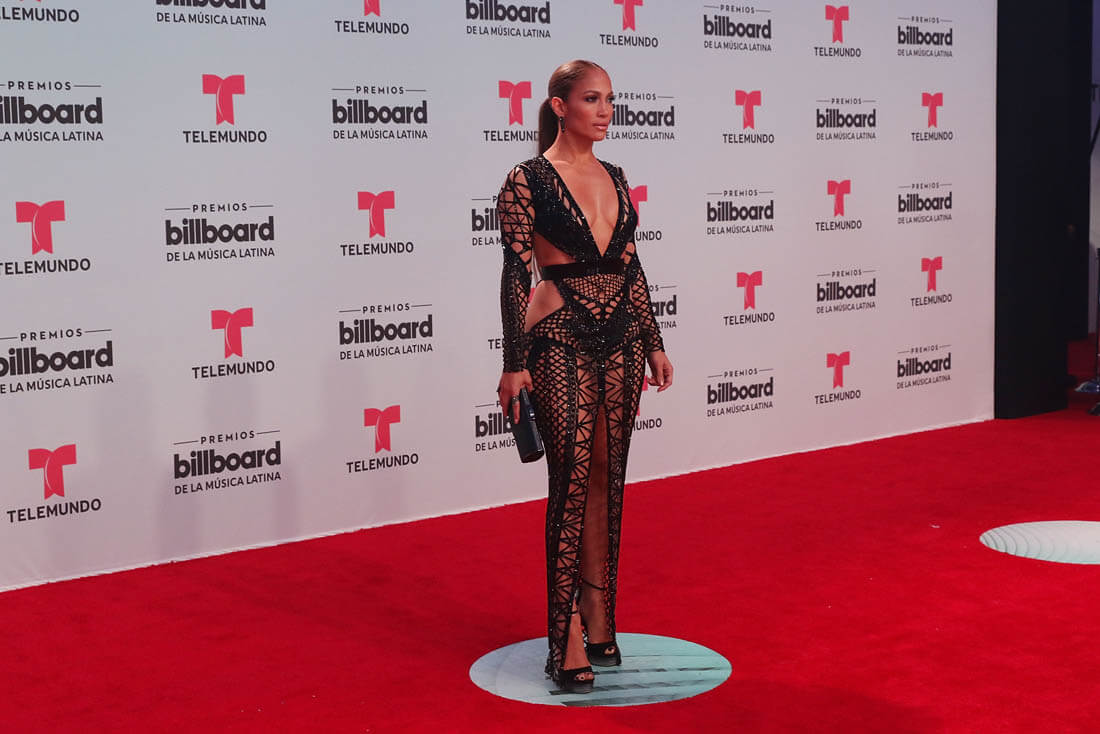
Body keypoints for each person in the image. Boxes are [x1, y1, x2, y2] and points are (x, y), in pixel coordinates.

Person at [495, 59, 674, 693]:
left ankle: (601, 617)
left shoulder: (616, 176)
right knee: (570, 481)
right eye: (592, 99)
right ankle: (564, 632)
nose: (605, 111)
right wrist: (513, 361)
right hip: (559, 339)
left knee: (607, 478)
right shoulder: (527, 179)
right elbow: (516, 273)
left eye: (610, 100)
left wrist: (654, 342)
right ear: (559, 106)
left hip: (622, 338)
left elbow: (632, 266)